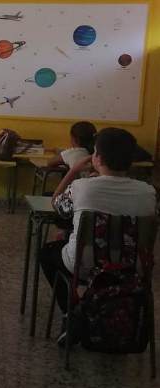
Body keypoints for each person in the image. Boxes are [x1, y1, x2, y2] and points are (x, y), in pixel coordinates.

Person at [41, 128, 156, 332]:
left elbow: (57, 205)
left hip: (84, 266)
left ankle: (72, 312)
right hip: (132, 269)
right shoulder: (148, 193)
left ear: (98, 159)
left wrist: (73, 171)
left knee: (47, 253)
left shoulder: (81, 187)